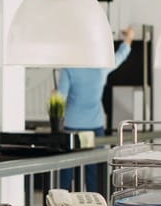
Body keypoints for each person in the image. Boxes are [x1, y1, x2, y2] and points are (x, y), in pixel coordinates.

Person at [57, 26, 135, 194]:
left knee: (65, 175)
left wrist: (53, 96)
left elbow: (60, 98)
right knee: (94, 176)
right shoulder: (101, 67)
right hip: (94, 128)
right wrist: (128, 37)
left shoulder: (68, 68)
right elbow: (121, 55)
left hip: (71, 127)